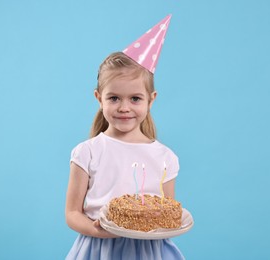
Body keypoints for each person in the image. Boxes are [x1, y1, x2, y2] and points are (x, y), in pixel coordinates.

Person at [65, 15, 184, 259]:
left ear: (151, 100)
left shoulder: (165, 157)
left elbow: (168, 212)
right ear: (99, 98)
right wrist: (98, 231)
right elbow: (72, 213)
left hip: (149, 251)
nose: (124, 107)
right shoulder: (87, 152)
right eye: (114, 98)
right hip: (100, 249)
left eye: (135, 98)